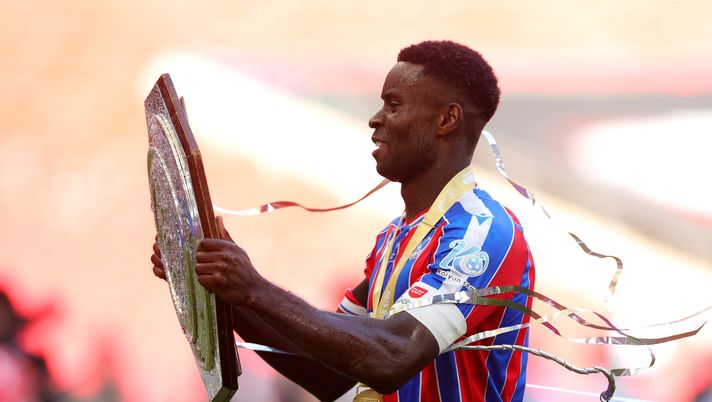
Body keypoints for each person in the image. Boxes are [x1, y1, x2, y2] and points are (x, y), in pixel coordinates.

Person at [152, 40, 535, 402]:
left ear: (446, 119)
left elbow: (392, 357)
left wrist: (255, 289)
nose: (376, 119)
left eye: (394, 104)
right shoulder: (395, 238)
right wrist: (224, 292)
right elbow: (333, 372)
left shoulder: (483, 232)